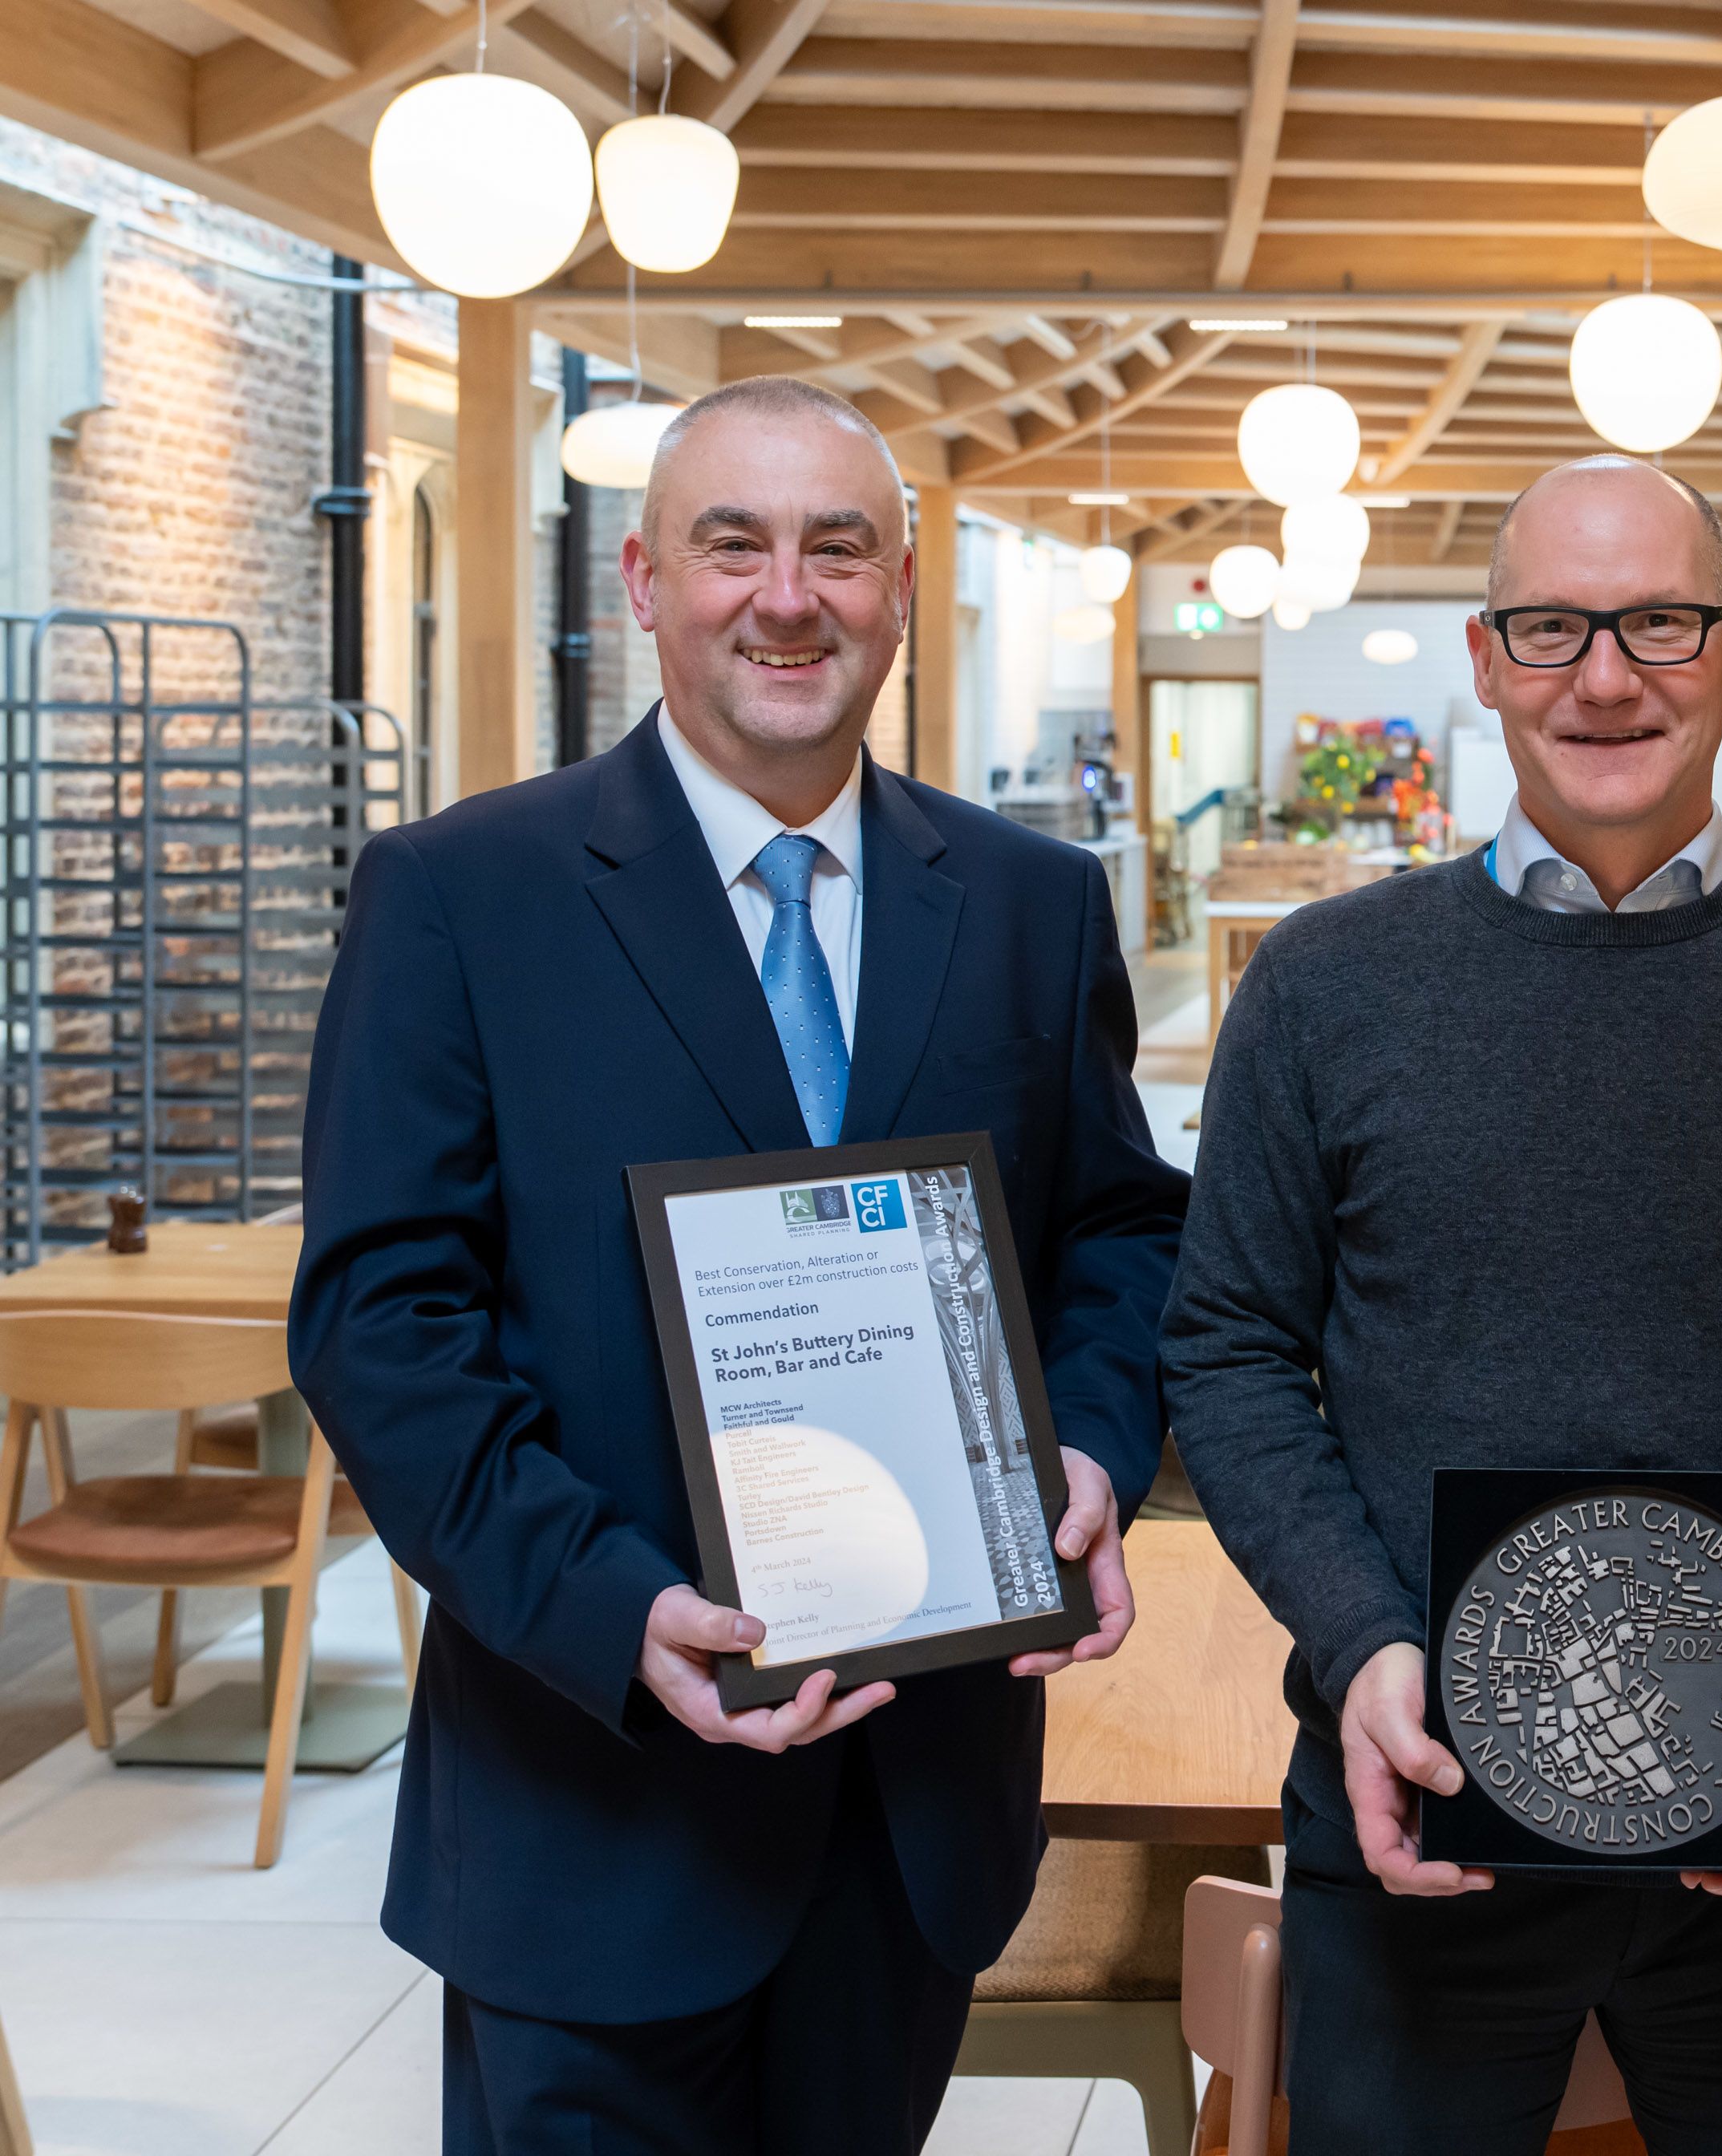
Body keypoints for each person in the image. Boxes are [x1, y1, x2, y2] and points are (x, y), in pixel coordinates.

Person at [289, 377, 1187, 2155]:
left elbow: (1115, 1231)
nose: (790, 594)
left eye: (837, 546)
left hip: (911, 1809)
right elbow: (383, 1323)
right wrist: (612, 1613)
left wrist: (1077, 1454)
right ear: (640, 583)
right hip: (592, 1801)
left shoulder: (1023, 900)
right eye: (734, 545)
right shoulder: (464, 893)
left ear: (902, 587)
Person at [1161, 454, 1722, 2153]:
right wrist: (1363, 1645)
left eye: (1659, 624)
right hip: (1420, 1806)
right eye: (1553, 627)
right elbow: (1231, 1351)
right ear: (1484, 659)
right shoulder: (1323, 993)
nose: (1607, 675)